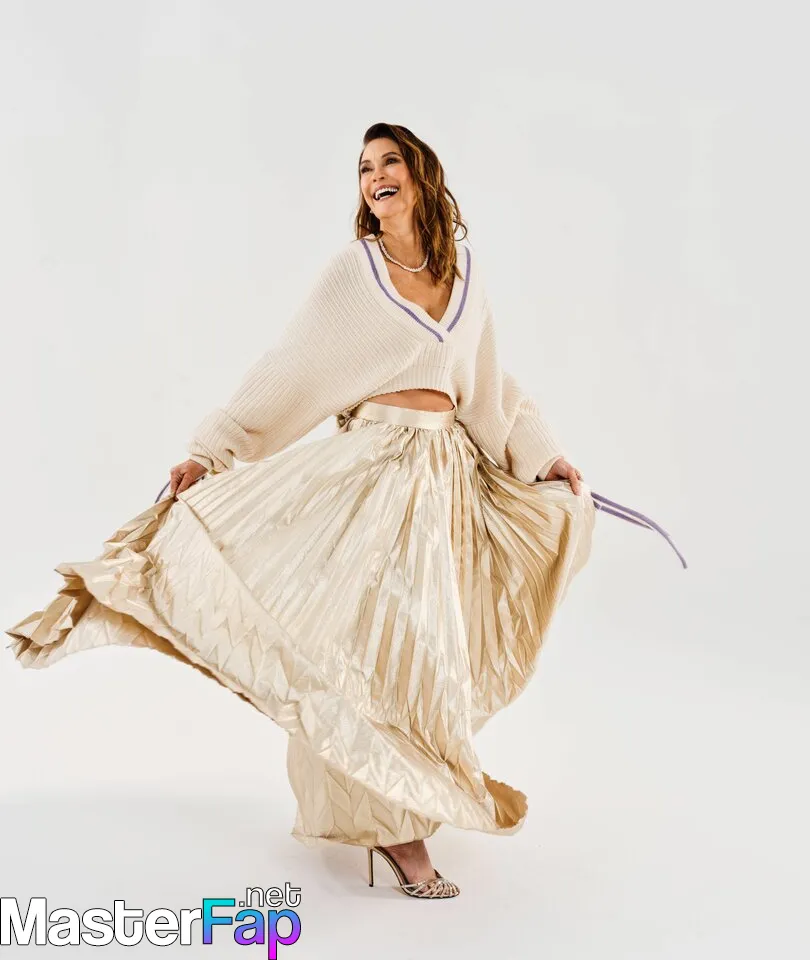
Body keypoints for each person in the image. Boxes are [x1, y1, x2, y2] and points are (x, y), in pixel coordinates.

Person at [6, 122, 597, 900]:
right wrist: (214, 449)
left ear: (421, 175)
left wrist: (544, 456)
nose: (374, 175)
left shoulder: (465, 275)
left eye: (390, 161)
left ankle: (404, 795)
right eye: (363, 167)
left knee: (428, 657)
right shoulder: (355, 273)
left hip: (445, 486)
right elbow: (292, 365)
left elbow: (491, 386)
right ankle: (398, 833)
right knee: (372, 651)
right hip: (370, 478)